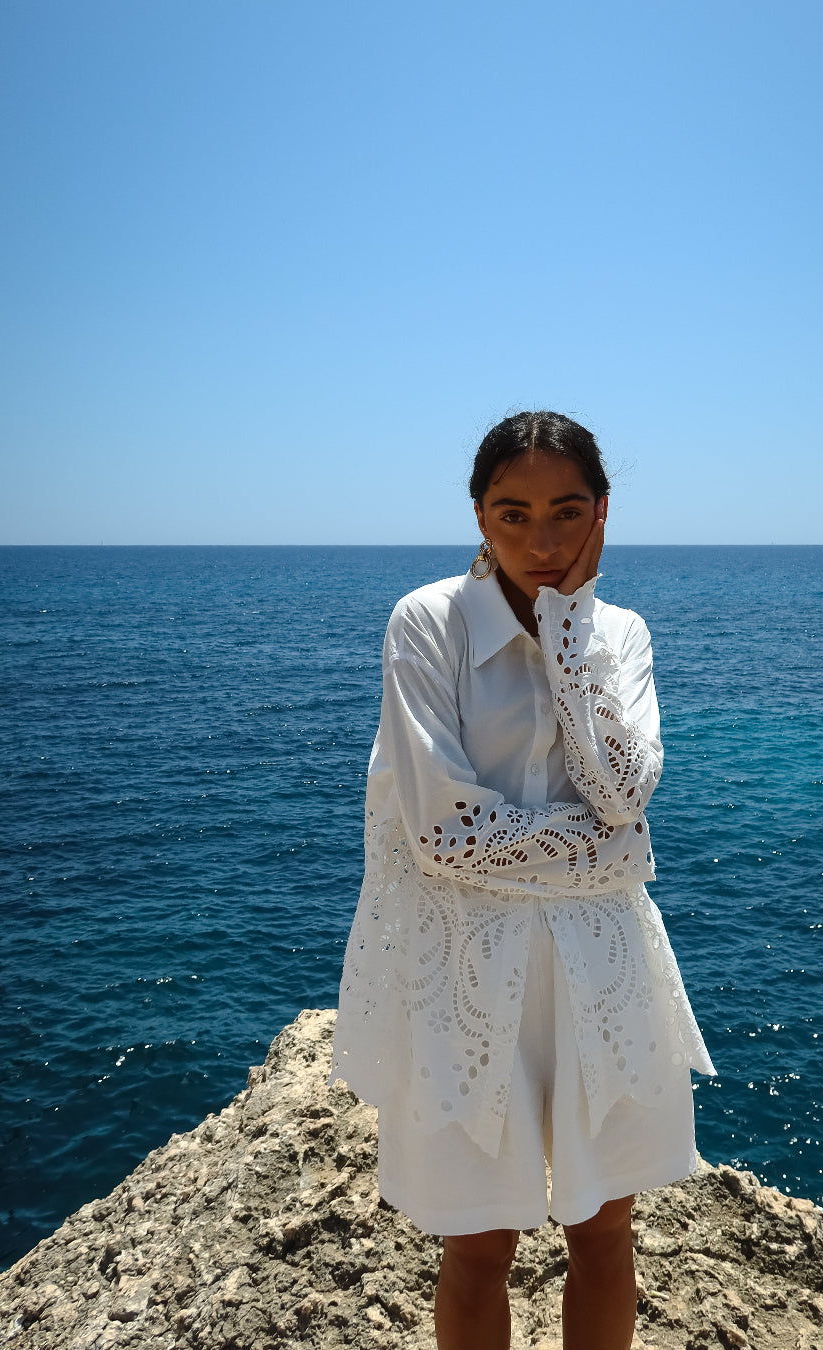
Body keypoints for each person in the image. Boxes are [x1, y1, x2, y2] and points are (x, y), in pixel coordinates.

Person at [331, 411, 715, 1350]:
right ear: (477, 515)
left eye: (566, 511)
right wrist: (606, 854)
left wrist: (570, 628)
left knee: (606, 1228)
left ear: (602, 512)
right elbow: (444, 835)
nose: (540, 542)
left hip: (599, 967)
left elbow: (621, 788)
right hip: (464, 966)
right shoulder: (426, 624)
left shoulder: (620, 634)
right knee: (477, 1243)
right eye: (512, 515)